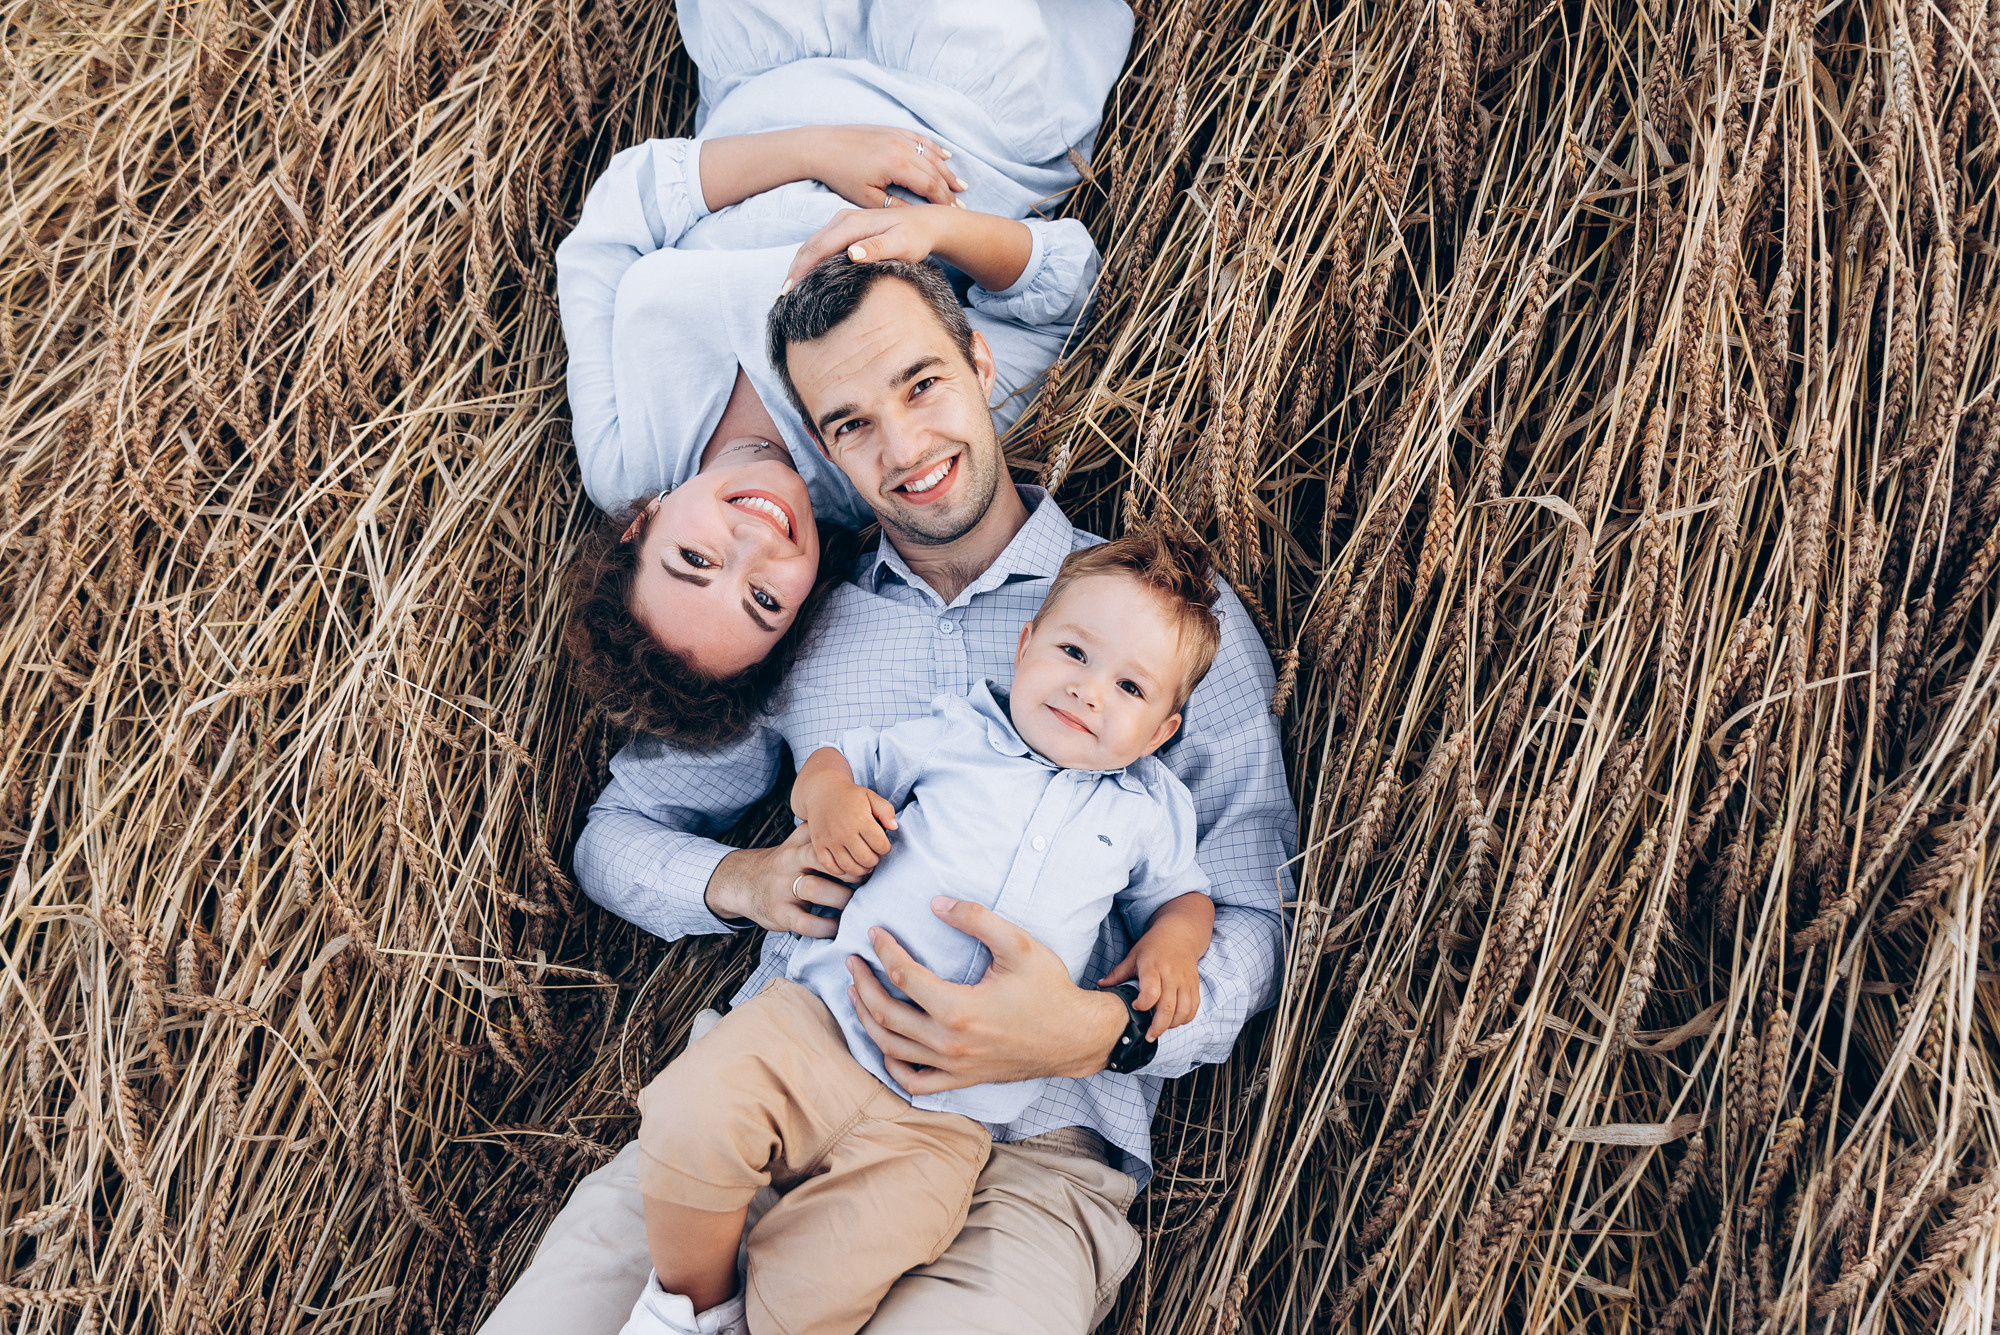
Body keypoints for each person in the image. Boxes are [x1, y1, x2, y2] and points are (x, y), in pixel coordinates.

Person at [481, 249, 1291, 1335]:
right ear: (823, 447)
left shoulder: (1159, 627)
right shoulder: (803, 623)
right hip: (779, 1088)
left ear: (978, 362)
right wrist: (747, 880)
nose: (903, 448)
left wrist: (1093, 1033)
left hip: (1027, 1163)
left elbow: (1245, 909)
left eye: (921, 385)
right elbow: (615, 836)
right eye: (851, 423)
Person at [633, 528, 1226, 1335]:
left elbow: (1187, 899)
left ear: (1162, 730)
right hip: (817, 1026)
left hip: (947, 1121)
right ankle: (689, 1308)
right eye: (1074, 653)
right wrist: (831, 800)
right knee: (689, 1114)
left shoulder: (1150, 811)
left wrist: (1171, 946)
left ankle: (765, 1315)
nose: (1088, 691)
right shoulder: (957, 731)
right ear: (1024, 647)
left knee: (830, 1276)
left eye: (1129, 686)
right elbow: (833, 766)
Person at [556, 0, 1132, 743]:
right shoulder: (896, 462)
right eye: (763, 599)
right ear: (802, 612)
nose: (752, 544)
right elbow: (1059, 292)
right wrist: (939, 231)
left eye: (695, 558)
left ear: (642, 524)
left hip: (759, 66)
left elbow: (611, 228)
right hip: (957, 101)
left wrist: (813, 149)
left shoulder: (621, 456)